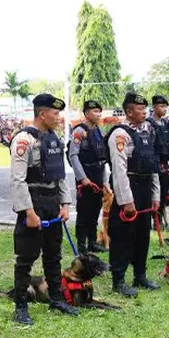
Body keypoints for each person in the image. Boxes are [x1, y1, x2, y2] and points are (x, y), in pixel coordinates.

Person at [10, 94, 76, 325]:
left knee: (53, 255)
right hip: (33, 204)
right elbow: (18, 180)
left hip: (52, 205)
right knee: (26, 257)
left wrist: (65, 204)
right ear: (42, 114)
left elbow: (60, 176)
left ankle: (56, 298)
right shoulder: (24, 140)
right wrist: (28, 212)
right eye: (55, 113)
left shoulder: (54, 140)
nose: (59, 117)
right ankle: (20, 306)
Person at [106, 93, 161, 297]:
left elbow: (152, 166)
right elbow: (119, 172)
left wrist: (155, 196)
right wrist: (127, 201)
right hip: (129, 188)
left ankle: (140, 275)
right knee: (122, 237)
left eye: (145, 108)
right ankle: (118, 280)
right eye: (139, 108)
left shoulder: (148, 132)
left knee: (142, 235)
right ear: (129, 112)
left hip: (145, 188)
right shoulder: (120, 135)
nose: (144, 111)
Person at [68, 100, 110, 254]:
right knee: (83, 211)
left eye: (99, 111)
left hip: (98, 175)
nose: (98, 114)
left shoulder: (99, 131)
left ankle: (92, 242)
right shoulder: (79, 132)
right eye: (94, 111)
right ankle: (81, 244)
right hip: (85, 176)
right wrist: (83, 178)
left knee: (95, 210)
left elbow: (102, 158)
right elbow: (73, 156)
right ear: (86, 114)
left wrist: (105, 180)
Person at [147, 96, 169, 227]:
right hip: (155, 164)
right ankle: (156, 222)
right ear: (154, 107)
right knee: (155, 194)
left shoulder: (166, 123)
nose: (164, 109)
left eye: (166, 107)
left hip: (166, 164)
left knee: (165, 194)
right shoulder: (149, 123)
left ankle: (161, 221)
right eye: (161, 106)